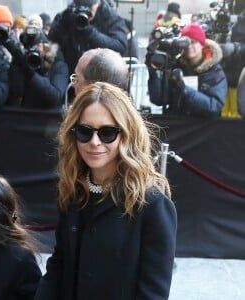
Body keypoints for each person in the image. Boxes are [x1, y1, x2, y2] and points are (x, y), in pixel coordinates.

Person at [34, 82, 177, 300]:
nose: (94, 142)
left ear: (126, 135)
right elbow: (60, 263)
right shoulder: (74, 189)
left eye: (107, 133)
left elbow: (153, 293)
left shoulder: (152, 203)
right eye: (84, 131)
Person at [147, 23, 228, 116]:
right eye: (186, 42)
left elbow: (214, 106)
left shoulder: (214, 71)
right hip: (179, 125)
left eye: (193, 42)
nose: (189, 46)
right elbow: (158, 99)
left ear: (202, 44)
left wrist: (184, 89)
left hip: (203, 127)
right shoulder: (176, 65)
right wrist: (154, 74)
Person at [48, 0, 127, 74]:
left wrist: (89, 31)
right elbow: (51, 43)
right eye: (80, 5)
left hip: (100, 73)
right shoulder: (66, 16)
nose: (85, 9)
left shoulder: (111, 19)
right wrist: (63, 24)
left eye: (89, 6)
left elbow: (119, 46)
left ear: (98, 3)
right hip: (70, 72)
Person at [5, 25, 69, 109]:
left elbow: (55, 95)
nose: (34, 49)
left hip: (50, 117)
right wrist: (18, 62)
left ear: (45, 46)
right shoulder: (23, 62)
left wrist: (32, 75)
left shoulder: (58, 65)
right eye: (30, 47)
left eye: (38, 46)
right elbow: (17, 92)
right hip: (27, 114)